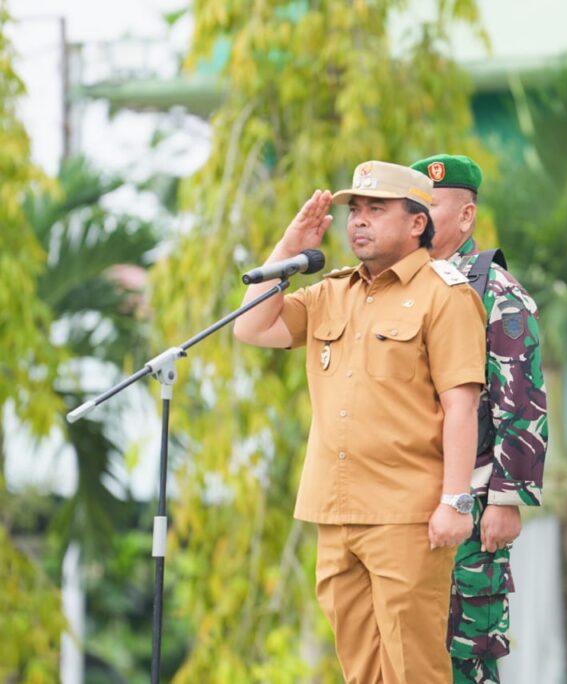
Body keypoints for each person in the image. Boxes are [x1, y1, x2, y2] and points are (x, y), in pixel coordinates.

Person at [233, 160, 487, 683]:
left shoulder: (447, 295)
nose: (359, 221)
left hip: (407, 515)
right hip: (336, 509)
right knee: (361, 671)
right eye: (356, 211)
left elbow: (461, 406)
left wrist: (455, 501)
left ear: (418, 223)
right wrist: (288, 247)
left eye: (377, 209)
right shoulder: (333, 291)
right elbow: (253, 328)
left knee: (414, 669)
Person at [410, 154, 547, 684]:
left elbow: (522, 397)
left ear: (466, 217)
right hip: (408, 496)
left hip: (472, 500)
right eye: (413, 208)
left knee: (465, 652)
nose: (420, 220)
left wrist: (507, 499)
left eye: (433, 208)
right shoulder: (404, 287)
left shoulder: (493, 289)